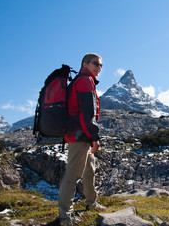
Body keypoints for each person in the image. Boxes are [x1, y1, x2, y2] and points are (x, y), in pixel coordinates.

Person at [58, 53, 106, 225]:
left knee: (89, 170)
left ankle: (91, 203)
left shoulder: (82, 80)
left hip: (80, 134)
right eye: (95, 64)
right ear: (84, 64)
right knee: (73, 175)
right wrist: (94, 137)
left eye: (101, 65)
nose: (99, 67)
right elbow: (88, 114)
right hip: (80, 136)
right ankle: (65, 216)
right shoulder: (85, 81)